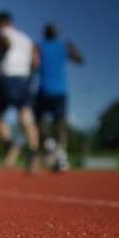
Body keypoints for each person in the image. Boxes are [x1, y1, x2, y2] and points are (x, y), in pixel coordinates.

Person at [0, 11, 40, 175]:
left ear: (0, 22)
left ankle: (10, 144)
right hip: (23, 80)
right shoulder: (26, 39)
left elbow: (5, 44)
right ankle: (33, 155)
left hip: (8, 77)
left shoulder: (2, 32)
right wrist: (29, 76)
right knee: (26, 117)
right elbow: (35, 61)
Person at [35, 23, 84, 172]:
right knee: (59, 124)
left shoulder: (40, 46)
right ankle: (59, 154)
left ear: (45, 33)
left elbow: (32, 63)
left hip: (47, 90)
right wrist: (72, 48)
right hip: (58, 91)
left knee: (39, 122)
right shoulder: (63, 47)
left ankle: (53, 149)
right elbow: (80, 59)